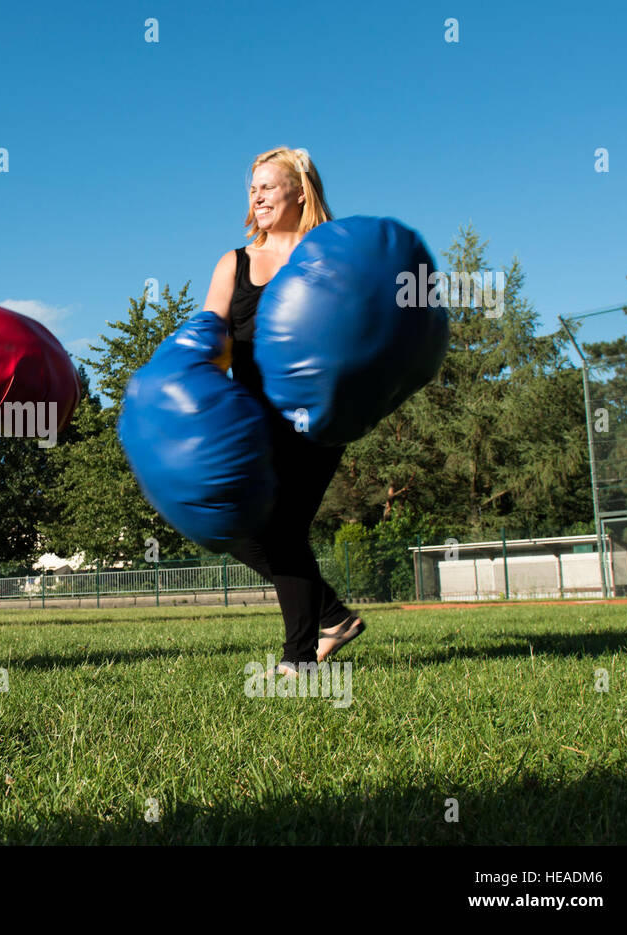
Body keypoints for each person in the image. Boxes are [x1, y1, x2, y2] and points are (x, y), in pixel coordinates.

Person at [202, 147, 365, 675]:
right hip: (252, 420)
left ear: (300, 190)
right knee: (235, 527)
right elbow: (210, 332)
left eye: (268, 187)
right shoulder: (236, 261)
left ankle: (300, 661)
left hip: (315, 418)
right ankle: (335, 616)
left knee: (283, 529)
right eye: (252, 189)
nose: (257, 196)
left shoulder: (329, 256)